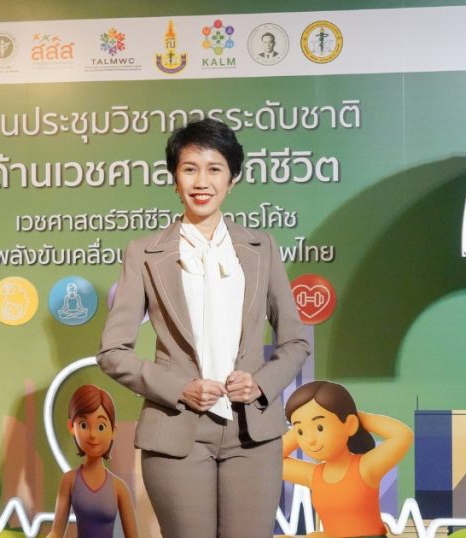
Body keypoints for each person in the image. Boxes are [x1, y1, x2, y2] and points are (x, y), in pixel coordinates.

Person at [98, 118, 309, 538]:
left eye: (214, 169)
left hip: (252, 434)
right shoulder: (144, 253)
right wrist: (180, 388)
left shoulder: (262, 248)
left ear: (233, 179)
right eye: (189, 168)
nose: (201, 181)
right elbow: (112, 352)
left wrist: (261, 384)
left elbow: (295, 342)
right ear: (174, 178)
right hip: (176, 432)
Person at [282, 381, 413, 538]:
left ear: (350, 424)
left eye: (320, 427)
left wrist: (359, 418)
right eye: (301, 432)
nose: (310, 440)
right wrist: (300, 428)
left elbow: (402, 435)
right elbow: (272, 461)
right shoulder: (314, 475)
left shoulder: (365, 467)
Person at [47, 384, 137, 538]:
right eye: (84, 425)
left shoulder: (119, 488)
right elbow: (56, 532)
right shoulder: (69, 481)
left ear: (113, 431)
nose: (93, 435)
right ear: (71, 427)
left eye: (101, 427)